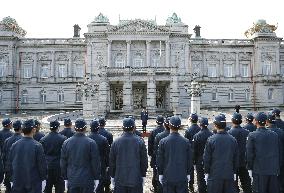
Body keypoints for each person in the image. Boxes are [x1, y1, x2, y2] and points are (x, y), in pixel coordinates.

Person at [60, 118, 101, 193]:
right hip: (87, 179)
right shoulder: (91, 143)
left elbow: (63, 163)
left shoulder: (66, 143)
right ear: (85, 128)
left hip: (72, 179)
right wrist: (96, 177)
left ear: (75, 128)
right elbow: (95, 163)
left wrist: (65, 178)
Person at [7, 119, 47, 193]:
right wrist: (43, 179)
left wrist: (11, 179)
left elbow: (9, 165)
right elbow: (42, 166)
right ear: (33, 130)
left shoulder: (14, 145)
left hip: (17, 182)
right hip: (33, 183)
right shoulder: (37, 146)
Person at [109, 118, 148, 193]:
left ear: (122, 128)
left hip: (120, 179)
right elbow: (144, 161)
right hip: (135, 179)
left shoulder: (116, 142)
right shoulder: (140, 141)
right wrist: (143, 175)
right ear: (134, 127)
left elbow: (112, 162)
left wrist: (112, 176)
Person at [246, 112, 281, 193]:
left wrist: (249, 168)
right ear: (266, 122)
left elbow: (249, 154)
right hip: (273, 170)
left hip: (259, 170)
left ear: (256, 121)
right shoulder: (274, 135)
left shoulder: (252, 135)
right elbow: (277, 152)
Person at [157, 116, 193, 193]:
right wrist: (188, 173)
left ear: (169, 126)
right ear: (179, 126)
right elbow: (189, 159)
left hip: (168, 176)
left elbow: (160, 159)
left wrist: (160, 173)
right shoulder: (186, 142)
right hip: (182, 175)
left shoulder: (163, 142)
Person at [203, 115, 238, 193]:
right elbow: (236, 158)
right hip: (228, 174)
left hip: (215, 174)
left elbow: (207, 158)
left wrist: (206, 172)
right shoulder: (233, 140)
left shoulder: (211, 140)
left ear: (215, 125)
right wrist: (235, 172)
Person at [40, 120, 66, 193]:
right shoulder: (63, 138)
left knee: (47, 188)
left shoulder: (43, 139)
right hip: (59, 167)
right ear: (58, 127)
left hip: (47, 166)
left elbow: (41, 155)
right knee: (59, 188)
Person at [228, 113, 252, 193]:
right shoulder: (247, 132)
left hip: (232, 162)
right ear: (241, 121)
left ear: (232, 121)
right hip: (244, 161)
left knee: (233, 184)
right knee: (246, 183)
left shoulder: (229, 133)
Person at [88, 119, 110, 193]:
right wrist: (107, 165)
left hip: (90, 164)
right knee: (100, 185)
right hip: (101, 164)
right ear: (98, 128)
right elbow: (107, 154)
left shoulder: (87, 139)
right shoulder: (103, 139)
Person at [193, 117, 213, 193]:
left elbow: (194, 151)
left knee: (200, 179)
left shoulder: (196, 136)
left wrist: (194, 161)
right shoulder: (212, 135)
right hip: (210, 160)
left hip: (199, 160)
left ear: (200, 124)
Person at [2, 120, 22, 193]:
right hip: (18, 169)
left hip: (8, 167)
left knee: (8, 188)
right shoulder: (21, 139)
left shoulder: (8, 140)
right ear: (21, 128)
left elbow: (4, 154)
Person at [266, 112, 284, 193]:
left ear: (267, 121)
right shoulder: (281, 132)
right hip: (282, 160)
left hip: (270, 162)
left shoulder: (266, 133)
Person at [153, 117, 170, 193]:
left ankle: (156, 188)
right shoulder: (184, 140)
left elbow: (153, 149)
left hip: (160, 161)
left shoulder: (158, 135)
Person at [148, 115, 165, 193]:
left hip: (156, 156)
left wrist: (150, 155)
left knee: (155, 173)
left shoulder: (153, 132)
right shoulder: (166, 131)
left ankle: (155, 187)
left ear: (156, 122)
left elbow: (150, 145)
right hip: (165, 156)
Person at [184, 113, 200, 192]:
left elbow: (185, 143)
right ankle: (200, 185)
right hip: (199, 153)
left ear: (190, 120)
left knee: (190, 171)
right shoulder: (200, 129)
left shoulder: (188, 130)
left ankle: (191, 185)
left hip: (190, 153)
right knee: (200, 170)